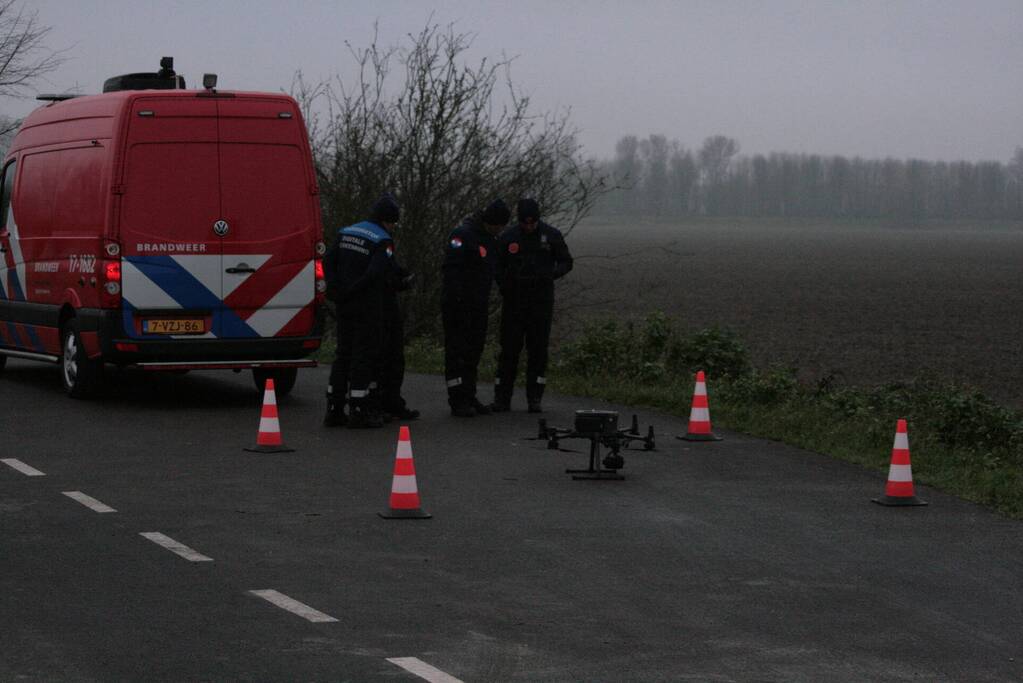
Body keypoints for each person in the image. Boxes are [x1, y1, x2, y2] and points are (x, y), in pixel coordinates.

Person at [323, 193, 399, 428]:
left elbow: (328, 261)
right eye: (393, 222)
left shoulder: (347, 232)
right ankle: (358, 409)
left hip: (344, 303)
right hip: (366, 305)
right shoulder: (382, 240)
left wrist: (336, 290)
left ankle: (334, 408)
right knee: (363, 355)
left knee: (343, 353)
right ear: (388, 220)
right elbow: (376, 273)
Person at [491, 198, 573, 413]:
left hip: (541, 302)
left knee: (538, 351)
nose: (529, 227)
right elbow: (495, 265)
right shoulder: (508, 237)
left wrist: (550, 274)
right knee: (509, 350)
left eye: (532, 223)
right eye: (525, 223)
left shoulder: (551, 235)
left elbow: (567, 261)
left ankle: (534, 397)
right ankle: (502, 398)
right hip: (514, 302)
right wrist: (504, 284)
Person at [441, 198, 510, 417]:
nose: (500, 230)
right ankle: (457, 399)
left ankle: (469, 395)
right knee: (457, 353)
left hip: (478, 304)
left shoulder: (491, 239)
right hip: (458, 305)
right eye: (498, 225)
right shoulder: (462, 235)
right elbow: (451, 270)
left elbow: (493, 269)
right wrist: (458, 299)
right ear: (490, 221)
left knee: (473, 352)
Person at [378, 248, 420, 421]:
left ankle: (390, 402)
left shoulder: (379, 238)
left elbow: (390, 267)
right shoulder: (380, 239)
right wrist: (401, 282)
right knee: (388, 357)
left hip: (384, 307)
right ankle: (383, 403)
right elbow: (382, 275)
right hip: (381, 307)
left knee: (394, 358)